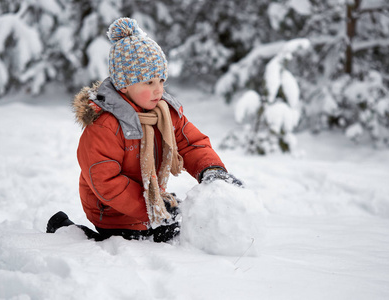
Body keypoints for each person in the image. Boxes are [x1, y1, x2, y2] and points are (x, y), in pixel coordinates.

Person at [46, 17, 242, 243]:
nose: (158, 90)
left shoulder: (164, 114)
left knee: (183, 230)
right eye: (148, 83)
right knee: (147, 241)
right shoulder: (105, 125)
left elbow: (191, 143)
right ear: (124, 85)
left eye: (161, 80)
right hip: (112, 211)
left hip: (148, 203)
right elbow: (105, 180)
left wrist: (211, 170)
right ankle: (67, 229)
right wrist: (152, 206)